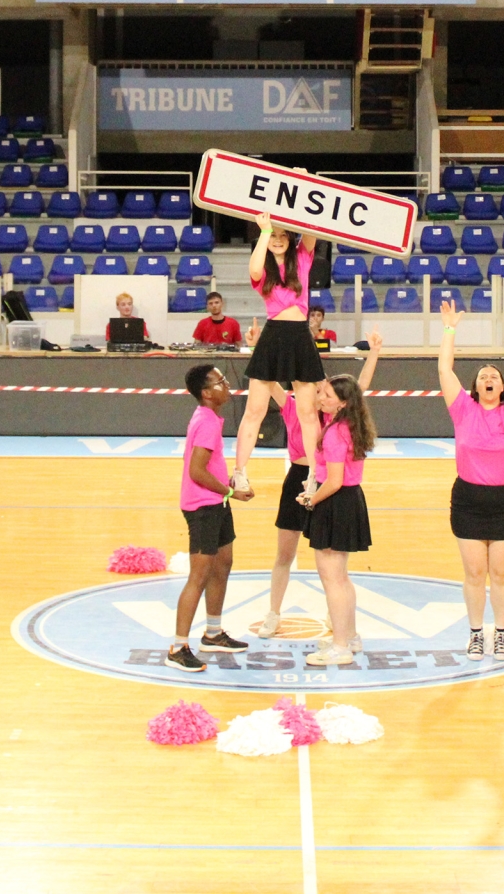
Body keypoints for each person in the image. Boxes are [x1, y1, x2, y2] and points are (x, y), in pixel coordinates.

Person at [253, 335, 383, 639]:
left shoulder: (334, 418)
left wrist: (374, 354)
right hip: (297, 482)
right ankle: (274, 613)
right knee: (284, 555)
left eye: (320, 388)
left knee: (334, 567)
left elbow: (358, 389)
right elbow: (268, 383)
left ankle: (336, 619)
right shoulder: (292, 407)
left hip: (325, 486)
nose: (316, 391)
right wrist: (263, 346)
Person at [437, 299, 504, 662]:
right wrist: (449, 328)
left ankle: (501, 633)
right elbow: (445, 369)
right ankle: (476, 634)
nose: (489, 377)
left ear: (502, 386)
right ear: (475, 387)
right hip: (468, 500)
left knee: (500, 573)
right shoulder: (462, 409)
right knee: (474, 573)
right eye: (483, 375)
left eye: (494, 374)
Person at [167, 364, 253, 673]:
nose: (227, 385)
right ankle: (178, 647)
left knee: (223, 562)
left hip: (216, 502)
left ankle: (213, 632)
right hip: (202, 506)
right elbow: (197, 471)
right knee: (199, 575)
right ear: (207, 393)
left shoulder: (209, 418)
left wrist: (225, 492)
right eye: (221, 382)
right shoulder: (206, 423)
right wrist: (230, 492)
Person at [231, 215, 323, 489]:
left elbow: (312, 228)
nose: (279, 239)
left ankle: (315, 474)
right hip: (272, 337)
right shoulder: (263, 269)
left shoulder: (303, 258)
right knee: (254, 410)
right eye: (274, 235)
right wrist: (265, 231)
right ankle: (239, 472)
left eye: (284, 234)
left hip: (300, 337)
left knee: (308, 413)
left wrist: (303, 187)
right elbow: (255, 268)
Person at [297, 374, 376, 668]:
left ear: (343, 402)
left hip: (335, 503)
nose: (321, 399)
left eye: (327, 395)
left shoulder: (333, 432)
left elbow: (333, 481)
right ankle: (350, 636)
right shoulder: (349, 426)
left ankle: (340, 646)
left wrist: (309, 499)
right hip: (349, 501)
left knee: (332, 580)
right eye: (321, 393)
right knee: (341, 577)